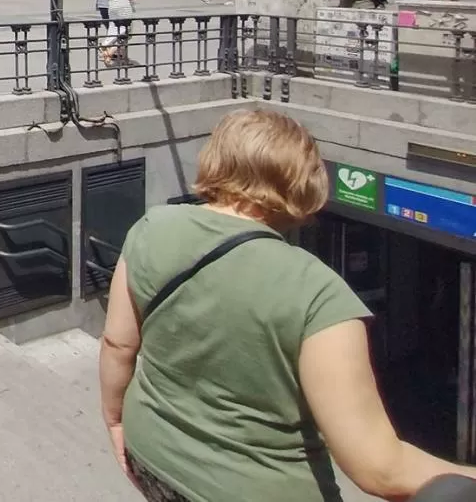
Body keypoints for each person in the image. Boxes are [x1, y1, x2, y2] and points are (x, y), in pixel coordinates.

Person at [100, 108, 476, 502]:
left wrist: (114, 420)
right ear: (302, 188)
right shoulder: (320, 297)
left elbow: (118, 345)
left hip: (150, 458)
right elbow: (379, 468)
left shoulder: (151, 226)